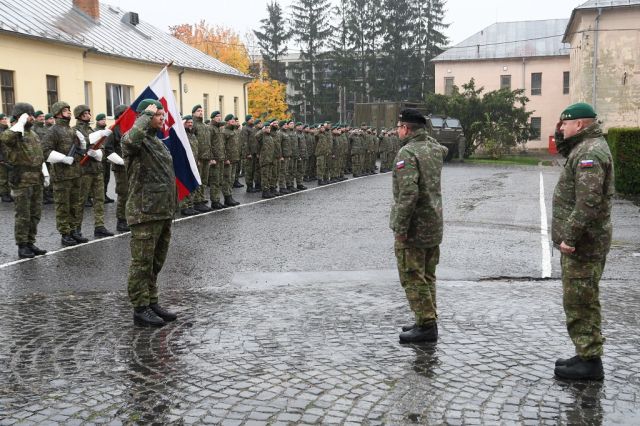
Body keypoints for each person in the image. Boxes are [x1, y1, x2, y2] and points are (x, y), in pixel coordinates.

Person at [552, 102, 614, 381]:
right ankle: (585, 353)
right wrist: (561, 136)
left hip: (584, 244)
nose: (561, 128)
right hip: (586, 242)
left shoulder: (589, 152)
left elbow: (588, 201)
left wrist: (570, 236)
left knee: (582, 300)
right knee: (580, 299)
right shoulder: (585, 147)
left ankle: (590, 362)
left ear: (579, 125)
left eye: (565, 124)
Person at [390, 108, 448, 344]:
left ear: (406, 128)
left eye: (399, 126)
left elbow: (408, 194)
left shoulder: (408, 152)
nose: (397, 130)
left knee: (413, 276)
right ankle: (425, 318)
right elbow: (442, 148)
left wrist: (400, 227)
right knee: (428, 275)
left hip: (415, 227)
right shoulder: (434, 148)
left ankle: (426, 326)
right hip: (433, 222)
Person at [122, 99, 178, 327]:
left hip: (162, 210)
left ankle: (152, 301)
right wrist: (146, 115)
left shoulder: (156, 141)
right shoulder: (135, 140)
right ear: (144, 116)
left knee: (155, 262)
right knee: (142, 263)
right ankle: (140, 308)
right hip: (144, 211)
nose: (162, 118)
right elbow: (130, 140)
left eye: (162, 115)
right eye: (157, 115)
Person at [0, 103, 48, 258]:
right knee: (23, 215)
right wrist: (19, 122)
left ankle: (30, 242)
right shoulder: (15, 133)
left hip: (36, 179)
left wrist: (45, 173)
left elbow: (39, 155)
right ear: (21, 116)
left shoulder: (33, 134)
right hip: (22, 180)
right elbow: (5, 138)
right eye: (29, 115)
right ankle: (22, 245)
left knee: (35, 213)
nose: (33, 118)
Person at [42, 101, 87, 246]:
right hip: (61, 175)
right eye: (65, 110)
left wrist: (83, 144)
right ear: (58, 113)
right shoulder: (53, 131)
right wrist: (62, 158)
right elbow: (45, 151)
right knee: (63, 206)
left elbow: (81, 151)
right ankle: (65, 233)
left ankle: (74, 230)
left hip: (75, 173)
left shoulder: (71, 130)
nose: (69, 112)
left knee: (75, 205)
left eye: (69, 109)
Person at [104, 105, 129, 231]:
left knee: (131, 193)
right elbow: (108, 149)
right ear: (120, 115)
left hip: (131, 166)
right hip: (120, 168)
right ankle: (121, 220)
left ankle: (129, 218)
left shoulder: (129, 127)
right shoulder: (113, 129)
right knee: (123, 193)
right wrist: (121, 161)